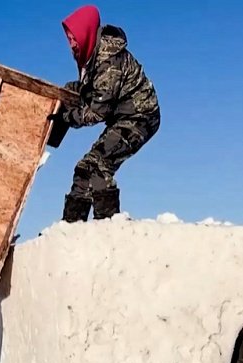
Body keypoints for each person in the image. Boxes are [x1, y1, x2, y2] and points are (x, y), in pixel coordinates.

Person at [48, 4, 161, 223]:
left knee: (99, 165)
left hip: (140, 118)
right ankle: (70, 230)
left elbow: (97, 112)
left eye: (74, 37)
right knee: (84, 168)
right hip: (121, 119)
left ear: (86, 32)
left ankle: (108, 228)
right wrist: (66, 93)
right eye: (68, 38)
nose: (71, 43)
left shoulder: (108, 60)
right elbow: (90, 90)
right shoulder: (91, 59)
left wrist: (66, 118)